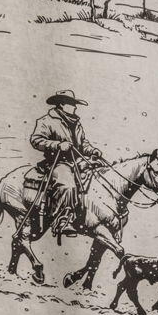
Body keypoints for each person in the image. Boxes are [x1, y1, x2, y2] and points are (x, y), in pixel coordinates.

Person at [29, 90, 104, 239]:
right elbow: (36, 140)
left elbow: (82, 144)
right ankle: (62, 219)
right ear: (62, 104)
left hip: (76, 161)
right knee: (67, 184)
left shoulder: (76, 123)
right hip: (57, 162)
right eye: (72, 104)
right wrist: (57, 145)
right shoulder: (46, 121)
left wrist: (92, 151)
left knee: (99, 172)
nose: (75, 107)